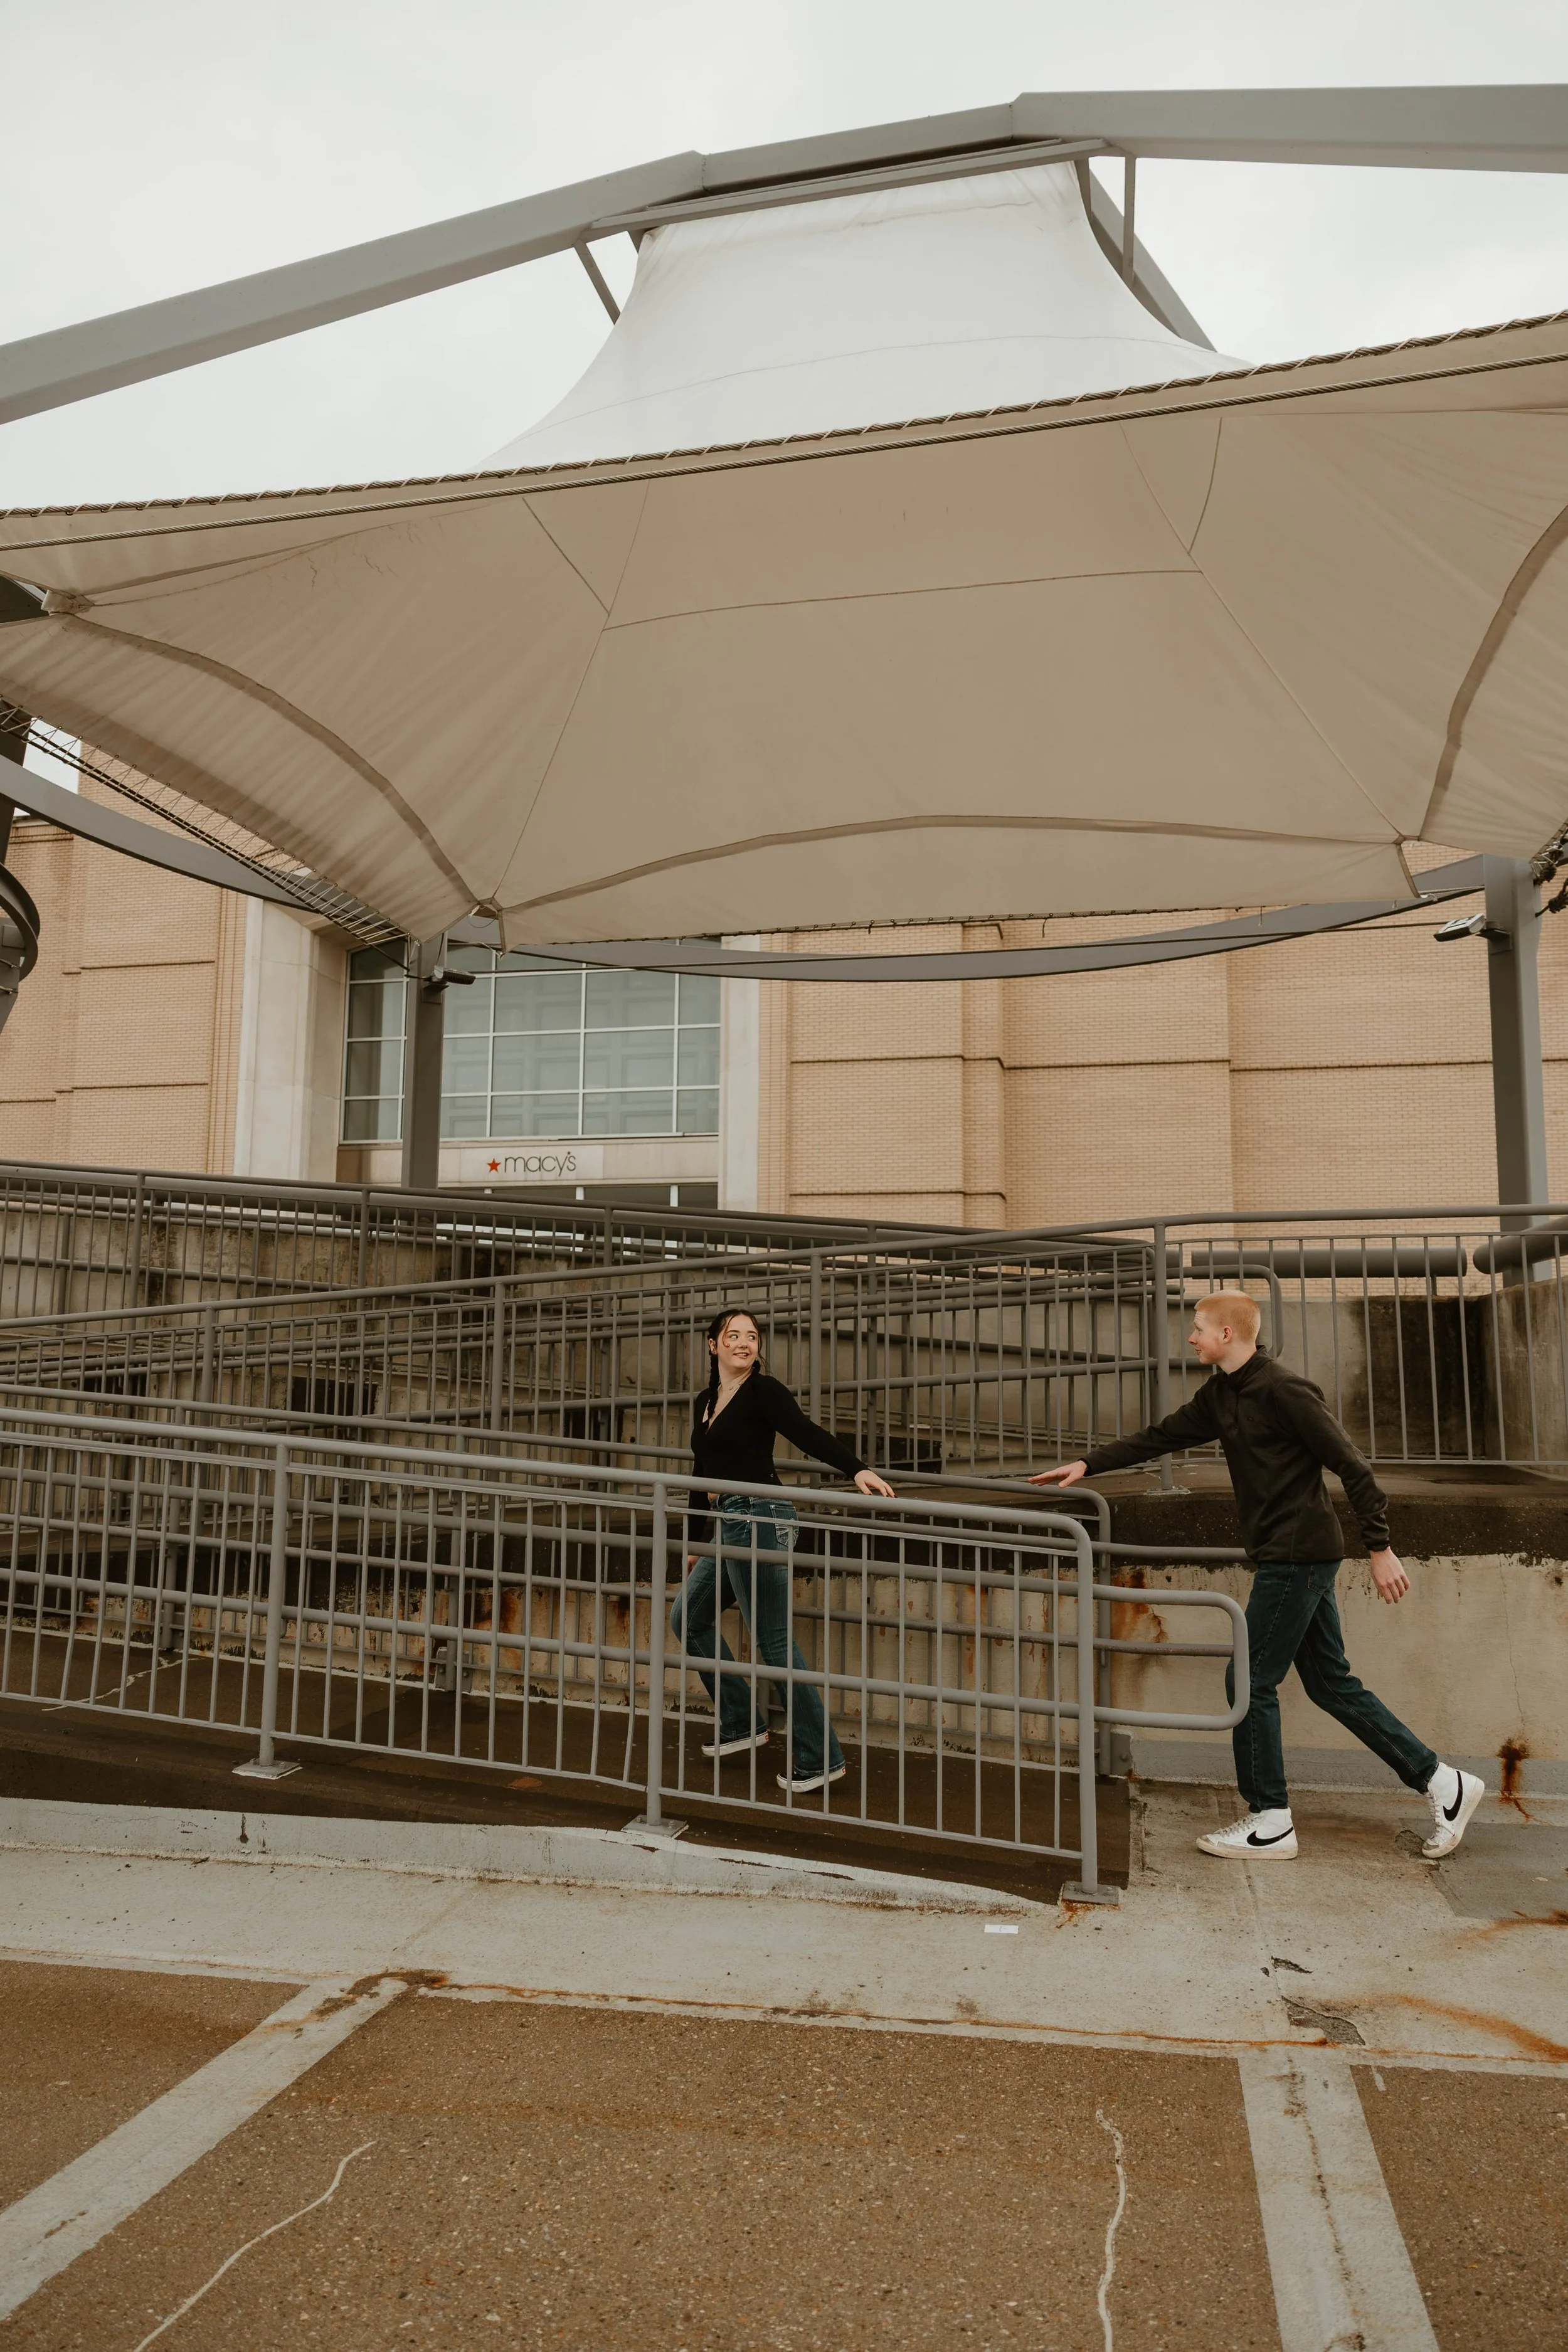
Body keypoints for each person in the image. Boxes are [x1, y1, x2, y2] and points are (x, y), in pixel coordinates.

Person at [1030, 1291, 1484, 1863]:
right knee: (1330, 1684)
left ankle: (1270, 1820)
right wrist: (1089, 1464)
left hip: (1299, 1555)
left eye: (1198, 1328)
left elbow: (1353, 1465)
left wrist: (1381, 1546)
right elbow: (1160, 1436)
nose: (1191, 1337)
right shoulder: (1222, 1394)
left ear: (1227, 1334)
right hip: (1288, 1554)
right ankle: (1445, 1783)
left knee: (1248, 1680)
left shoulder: (1285, 1391)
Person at [675, 1306, 894, 1795]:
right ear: (713, 1345)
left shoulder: (763, 1392)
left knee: (773, 1643)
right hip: (726, 1523)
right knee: (687, 1619)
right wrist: (696, 1540)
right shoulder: (705, 1401)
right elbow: (700, 1470)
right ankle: (740, 1721)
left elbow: (807, 1433)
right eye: (732, 1336)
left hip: (761, 1517)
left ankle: (820, 1758)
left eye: (751, 1337)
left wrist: (856, 1469)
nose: (742, 1343)